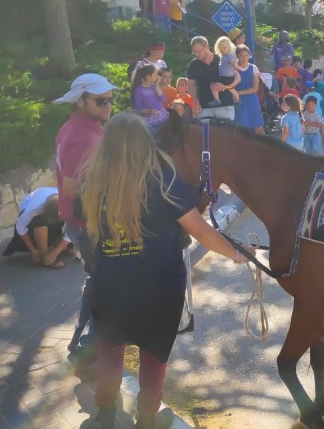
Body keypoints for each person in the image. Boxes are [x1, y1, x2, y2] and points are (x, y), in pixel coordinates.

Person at [79, 112, 248, 429]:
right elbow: (202, 232)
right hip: (159, 289)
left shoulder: (93, 181)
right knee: (154, 354)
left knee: (110, 349)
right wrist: (237, 253)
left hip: (109, 287)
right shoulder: (162, 178)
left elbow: (84, 231)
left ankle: (105, 413)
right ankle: (147, 416)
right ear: (146, 142)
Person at [52, 73, 116, 363]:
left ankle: (85, 341)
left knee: (99, 282)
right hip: (88, 224)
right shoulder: (81, 134)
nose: (108, 104)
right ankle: (88, 344)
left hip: (85, 223)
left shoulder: (81, 127)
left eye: (110, 98)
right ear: (81, 101)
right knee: (103, 284)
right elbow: (71, 186)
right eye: (101, 100)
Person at [2, 187, 69, 268]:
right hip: (32, 223)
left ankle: (54, 245)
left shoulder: (70, 203)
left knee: (70, 224)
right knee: (40, 221)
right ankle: (44, 255)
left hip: (56, 211)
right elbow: (20, 227)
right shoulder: (34, 208)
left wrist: (56, 252)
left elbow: (76, 228)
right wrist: (33, 250)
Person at [187, 36, 232, 120]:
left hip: (225, 104)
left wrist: (225, 87)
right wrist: (195, 102)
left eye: (198, 51)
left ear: (206, 46)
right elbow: (191, 85)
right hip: (204, 106)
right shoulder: (193, 64)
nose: (197, 54)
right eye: (194, 52)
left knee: (226, 133)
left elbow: (236, 78)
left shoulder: (222, 59)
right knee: (204, 133)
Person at [233, 45, 265, 135]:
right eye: (241, 55)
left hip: (252, 101)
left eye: (246, 55)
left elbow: (255, 88)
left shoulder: (253, 67)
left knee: (259, 128)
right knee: (240, 129)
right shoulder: (233, 69)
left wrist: (239, 92)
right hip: (238, 102)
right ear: (237, 56)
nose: (244, 57)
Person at [208, 36, 241, 107]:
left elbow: (231, 62)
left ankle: (217, 100)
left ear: (229, 48)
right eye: (220, 48)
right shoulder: (223, 56)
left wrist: (235, 66)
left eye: (224, 48)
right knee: (231, 89)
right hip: (226, 77)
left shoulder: (228, 56)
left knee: (213, 86)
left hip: (226, 77)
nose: (222, 49)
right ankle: (238, 100)